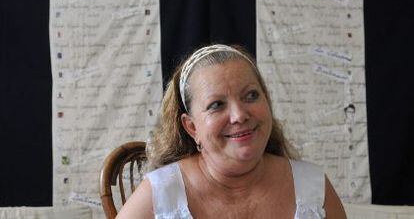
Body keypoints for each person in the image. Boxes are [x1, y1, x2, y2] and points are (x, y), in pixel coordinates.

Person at [117, 44, 346, 218]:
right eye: (217, 105)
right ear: (192, 127)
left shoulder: (313, 186)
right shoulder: (161, 194)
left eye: (251, 96)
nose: (239, 115)